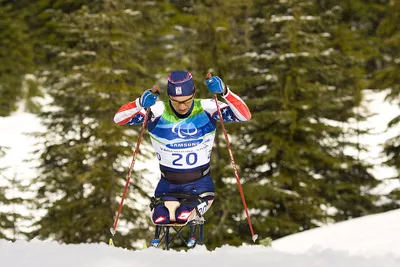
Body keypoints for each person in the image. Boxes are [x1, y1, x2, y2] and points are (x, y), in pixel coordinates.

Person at [114, 70, 251, 232]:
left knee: (183, 214)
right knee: (160, 216)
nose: (182, 106)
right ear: (169, 97)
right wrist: (139, 103)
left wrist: (225, 92)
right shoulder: (157, 110)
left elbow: (244, 115)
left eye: (186, 100)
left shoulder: (206, 107)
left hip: (200, 186)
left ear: (193, 93)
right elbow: (119, 119)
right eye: (176, 101)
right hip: (167, 185)